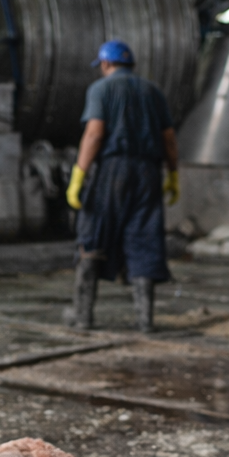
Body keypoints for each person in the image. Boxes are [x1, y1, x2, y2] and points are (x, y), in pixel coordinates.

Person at [64, 40, 179, 332]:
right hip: (149, 172)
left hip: (113, 171)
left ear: (105, 64)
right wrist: (173, 173)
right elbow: (168, 138)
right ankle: (145, 321)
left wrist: (79, 175)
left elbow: (94, 134)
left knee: (92, 236)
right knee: (144, 238)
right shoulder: (153, 92)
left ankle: (83, 318)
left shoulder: (100, 89)